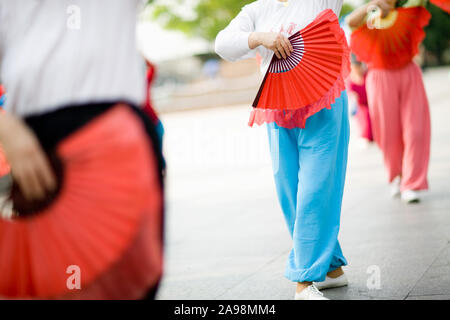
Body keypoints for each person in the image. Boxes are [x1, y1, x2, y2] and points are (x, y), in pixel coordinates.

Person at [0, 0, 163, 299]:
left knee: (129, 282)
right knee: (60, 285)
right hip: (34, 144)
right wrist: (4, 126)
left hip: (119, 133)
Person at [216, 0, 350, 300]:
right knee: (287, 187)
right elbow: (223, 43)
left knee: (315, 189)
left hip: (322, 105)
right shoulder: (255, 10)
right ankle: (330, 267)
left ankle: (304, 281)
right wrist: (259, 37)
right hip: (277, 104)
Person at [346, 0, 431, 203]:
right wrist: (370, 8)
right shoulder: (368, 17)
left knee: (416, 131)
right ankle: (396, 176)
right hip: (380, 76)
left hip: (409, 74)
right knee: (388, 132)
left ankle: (411, 183)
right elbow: (350, 22)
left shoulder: (410, 11)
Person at [348, 56, 373, 145]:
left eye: (358, 67)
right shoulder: (351, 81)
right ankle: (366, 135)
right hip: (361, 106)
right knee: (365, 115)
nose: (357, 69)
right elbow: (352, 97)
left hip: (370, 103)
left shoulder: (367, 75)